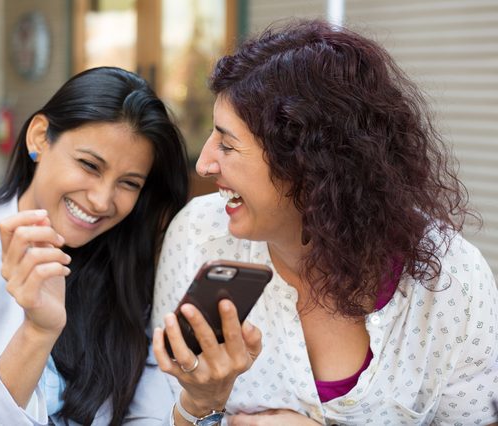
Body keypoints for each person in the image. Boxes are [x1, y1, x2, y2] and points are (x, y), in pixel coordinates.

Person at [151, 19, 498, 425]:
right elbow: (157, 414)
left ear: (312, 167)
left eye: (228, 145)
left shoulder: (449, 278)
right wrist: (201, 404)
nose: (204, 164)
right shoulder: (198, 235)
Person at [0, 66, 189, 425]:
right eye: (90, 165)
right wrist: (37, 333)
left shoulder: (126, 269)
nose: (102, 200)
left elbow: (148, 417)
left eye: (129, 183)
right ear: (40, 137)